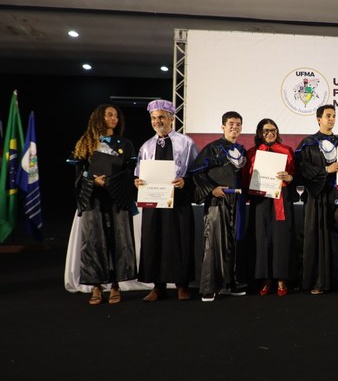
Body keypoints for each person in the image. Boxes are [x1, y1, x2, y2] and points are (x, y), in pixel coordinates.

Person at [69, 104, 137, 305]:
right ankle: (96, 286)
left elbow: (130, 171)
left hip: (117, 197)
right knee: (93, 241)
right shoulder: (86, 143)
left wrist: (113, 181)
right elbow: (79, 174)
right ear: (99, 117)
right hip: (94, 198)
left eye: (116, 116)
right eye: (109, 115)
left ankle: (115, 285)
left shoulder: (125, 143)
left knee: (118, 240)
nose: (113, 118)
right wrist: (92, 180)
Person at [134, 99, 199, 301]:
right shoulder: (146, 146)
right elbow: (139, 173)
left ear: (171, 118)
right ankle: (158, 286)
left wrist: (185, 181)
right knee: (154, 239)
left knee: (180, 240)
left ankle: (182, 285)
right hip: (154, 202)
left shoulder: (186, 143)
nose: (157, 121)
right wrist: (138, 181)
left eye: (161, 117)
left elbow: (197, 172)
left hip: (178, 200)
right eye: (153, 118)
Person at [295, 104, 338, 294]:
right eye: (328, 115)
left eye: (334, 116)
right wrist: (326, 170)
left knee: (337, 239)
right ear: (318, 119)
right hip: (317, 197)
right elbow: (302, 170)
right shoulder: (308, 144)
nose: (331, 119)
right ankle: (318, 282)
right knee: (317, 238)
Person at [190, 111, 248, 301]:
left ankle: (231, 283)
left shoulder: (241, 150)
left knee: (234, 242)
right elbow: (196, 173)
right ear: (223, 126)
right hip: (217, 203)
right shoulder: (212, 148)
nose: (235, 127)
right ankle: (209, 287)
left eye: (238, 124)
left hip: (237, 203)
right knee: (214, 242)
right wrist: (212, 189)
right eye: (231, 124)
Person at [242, 118, 296, 297]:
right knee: (262, 238)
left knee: (281, 239)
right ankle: (265, 279)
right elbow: (245, 177)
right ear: (260, 133)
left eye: (273, 130)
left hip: (281, 200)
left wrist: (289, 178)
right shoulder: (252, 153)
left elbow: (295, 174)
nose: (270, 133)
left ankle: (281, 279)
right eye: (266, 131)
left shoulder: (287, 150)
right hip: (260, 201)